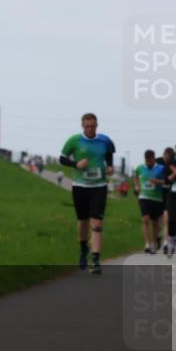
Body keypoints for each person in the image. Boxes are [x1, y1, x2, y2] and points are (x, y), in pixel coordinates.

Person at [59, 113, 115, 274]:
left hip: (99, 186)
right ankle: (84, 248)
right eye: (87, 126)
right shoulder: (74, 140)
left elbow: (109, 153)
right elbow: (62, 159)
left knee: (97, 223)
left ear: (97, 125)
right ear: (82, 126)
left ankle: (96, 260)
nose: (90, 129)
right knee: (83, 221)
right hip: (80, 186)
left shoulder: (104, 140)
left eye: (93, 126)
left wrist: (110, 166)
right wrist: (76, 164)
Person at [133, 150, 166, 253]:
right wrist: (137, 185)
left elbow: (167, 180)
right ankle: (147, 244)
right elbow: (135, 175)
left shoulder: (161, 168)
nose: (148, 163)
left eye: (150, 161)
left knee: (155, 223)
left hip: (157, 198)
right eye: (147, 161)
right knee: (145, 219)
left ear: (154, 158)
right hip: (144, 197)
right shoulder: (140, 167)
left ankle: (156, 241)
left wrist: (158, 182)